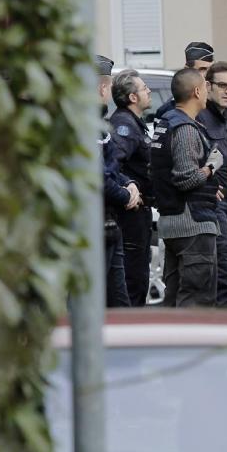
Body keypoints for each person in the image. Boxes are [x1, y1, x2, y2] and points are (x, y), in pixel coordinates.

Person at [150, 68, 224, 307]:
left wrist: (211, 188)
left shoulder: (165, 124)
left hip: (172, 225)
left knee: (175, 301)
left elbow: (161, 173)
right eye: (205, 87)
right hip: (191, 225)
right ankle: (192, 346)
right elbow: (185, 178)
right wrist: (212, 167)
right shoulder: (185, 129)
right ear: (196, 91)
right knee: (197, 303)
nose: (207, 92)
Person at [96, 55, 140, 308]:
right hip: (96, 225)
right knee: (92, 303)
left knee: (119, 303)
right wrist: (126, 196)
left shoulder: (101, 124)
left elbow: (112, 168)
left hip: (110, 224)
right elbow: (98, 176)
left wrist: (129, 184)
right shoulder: (87, 125)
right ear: (103, 88)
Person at [109, 70, 154, 306]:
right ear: (132, 97)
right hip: (130, 214)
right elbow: (111, 166)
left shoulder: (134, 124)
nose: (148, 91)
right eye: (144, 88)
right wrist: (130, 186)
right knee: (132, 281)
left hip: (139, 215)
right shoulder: (124, 126)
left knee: (138, 278)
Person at [198, 61, 227, 308]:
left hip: (223, 208)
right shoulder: (202, 118)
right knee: (224, 279)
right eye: (223, 85)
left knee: (225, 279)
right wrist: (211, 190)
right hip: (209, 208)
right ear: (208, 86)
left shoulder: (224, 119)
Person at [156, 41, 215, 119]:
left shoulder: (216, 106)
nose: (207, 74)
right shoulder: (169, 110)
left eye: (210, 69)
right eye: (202, 69)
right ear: (187, 69)